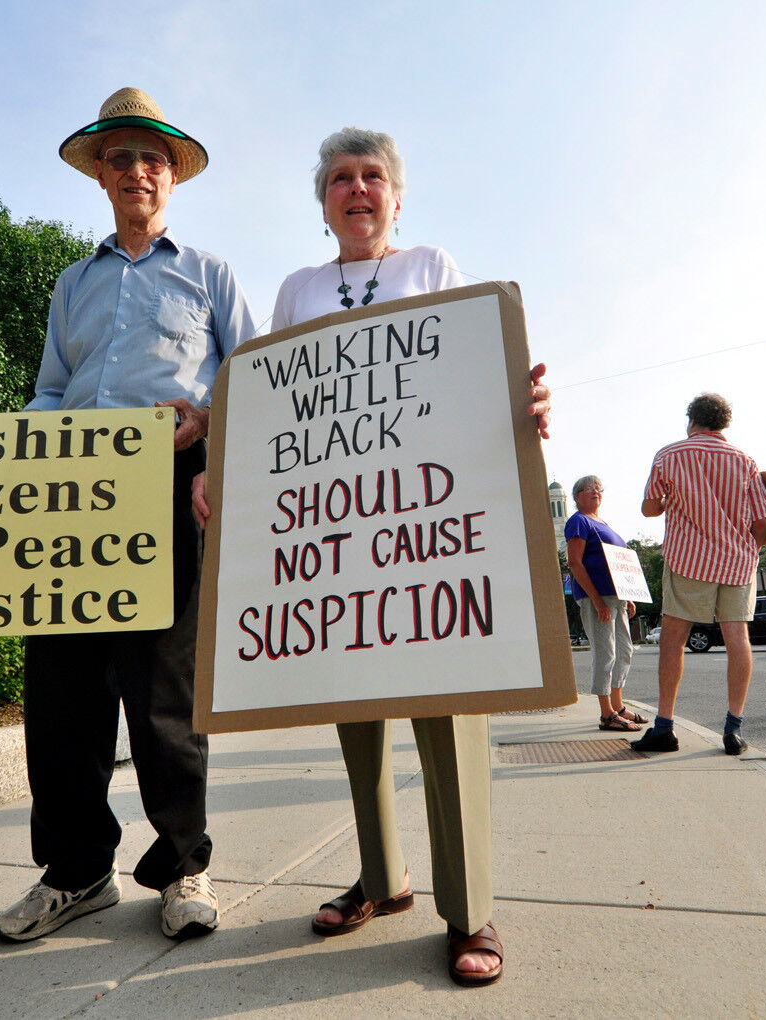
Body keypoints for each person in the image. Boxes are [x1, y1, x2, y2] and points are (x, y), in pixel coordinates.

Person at [193, 127, 550, 987]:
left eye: (373, 177)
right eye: (341, 179)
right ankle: (381, 879)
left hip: (424, 524)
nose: (358, 190)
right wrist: (221, 463)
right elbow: (272, 400)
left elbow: (469, 371)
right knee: (353, 710)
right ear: (324, 203)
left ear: (396, 196)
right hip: (337, 537)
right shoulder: (298, 288)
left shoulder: (432, 265)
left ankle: (470, 907)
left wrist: (523, 395)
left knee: (446, 713)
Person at [0, 87, 257, 944]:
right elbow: (55, 390)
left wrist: (206, 417)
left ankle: (184, 864)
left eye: (152, 158)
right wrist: (4, 431)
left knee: (164, 689)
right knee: (61, 690)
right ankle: (76, 871)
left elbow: (251, 377)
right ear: (99, 173)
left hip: (167, 490)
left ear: (173, 177)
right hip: (64, 498)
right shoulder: (72, 284)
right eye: (119, 157)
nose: (137, 170)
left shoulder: (210, 276)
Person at [634, 393, 766, 756]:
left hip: (688, 560)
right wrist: (749, 553)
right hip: (737, 563)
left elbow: (650, 509)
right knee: (737, 638)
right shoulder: (745, 461)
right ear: (723, 423)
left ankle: (664, 727)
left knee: (673, 639)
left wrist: (668, 501)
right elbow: (761, 520)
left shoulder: (670, 455)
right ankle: (733, 729)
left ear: (691, 419)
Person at [563, 475, 645, 731]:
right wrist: (597, 601)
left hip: (617, 597)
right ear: (577, 497)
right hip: (596, 597)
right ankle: (606, 713)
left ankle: (618, 706)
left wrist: (628, 595)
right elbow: (575, 562)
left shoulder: (604, 523)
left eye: (598, 488)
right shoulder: (579, 521)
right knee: (606, 653)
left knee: (624, 651)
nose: (595, 491)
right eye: (588, 489)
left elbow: (619, 564)